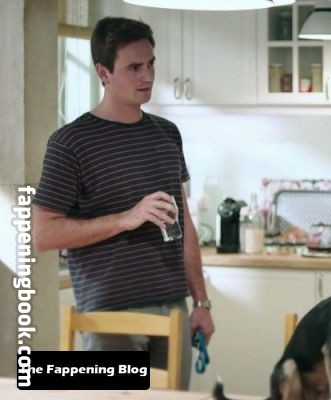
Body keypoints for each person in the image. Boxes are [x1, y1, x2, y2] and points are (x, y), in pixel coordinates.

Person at [32, 17, 214, 390]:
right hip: (109, 318)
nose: (147, 76)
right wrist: (126, 218)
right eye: (134, 67)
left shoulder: (166, 134)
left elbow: (185, 224)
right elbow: (44, 234)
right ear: (103, 73)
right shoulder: (70, 143)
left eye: (151, 64)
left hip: (173, 311)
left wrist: (201, 303)